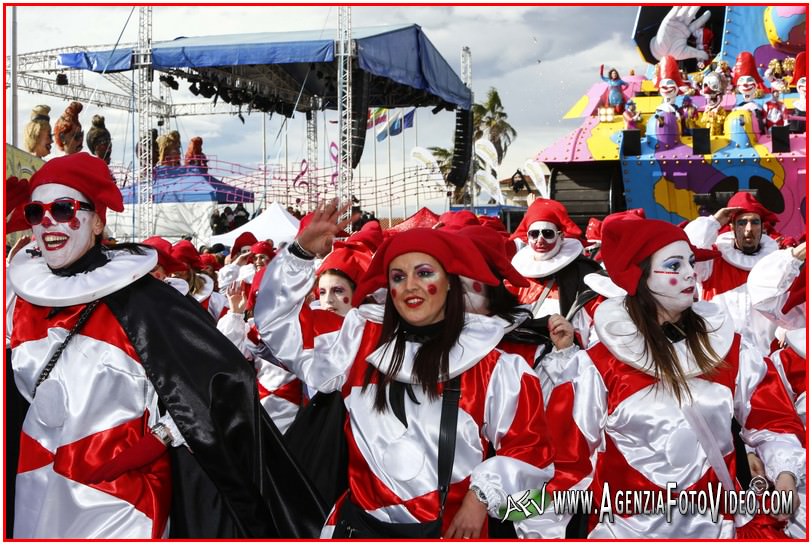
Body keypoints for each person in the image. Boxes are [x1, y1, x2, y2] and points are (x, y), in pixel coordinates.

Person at [5, 152, 323, 538]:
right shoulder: (18, 301)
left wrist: (161, 438)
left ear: (98, 221)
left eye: (63, 208)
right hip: (35, 481)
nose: (49, 222)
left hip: (119, 499)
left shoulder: (144, 302)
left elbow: (223, 379)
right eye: (37, 212)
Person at [254, 200, 556, 538]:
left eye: (424, 273)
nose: (409, 285)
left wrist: (481, 498)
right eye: (398, 276)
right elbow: (280, 326)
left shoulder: (495, 367)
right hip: (360, 529)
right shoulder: (358, 342)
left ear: (450, 282)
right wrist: (299, 254)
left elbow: (532, 453)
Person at [537, 217, 804, 538]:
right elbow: (568, 464)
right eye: (674, 265)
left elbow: (771, 421)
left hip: (720, 530)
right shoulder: (599, 365)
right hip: (629, 532)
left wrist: (785, 474)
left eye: (690, 263)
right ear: (640, 276)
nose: (691, 273)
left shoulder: (730, 348)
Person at [683, 191, 780, 354]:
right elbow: (687, 252)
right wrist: (713, 222)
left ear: (762, 227)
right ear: (732, 227)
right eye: (742, 223)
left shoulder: (777, 262)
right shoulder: (712, 260)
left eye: (755, 222)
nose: (749, 229)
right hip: (723, 355)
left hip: (767, 356)